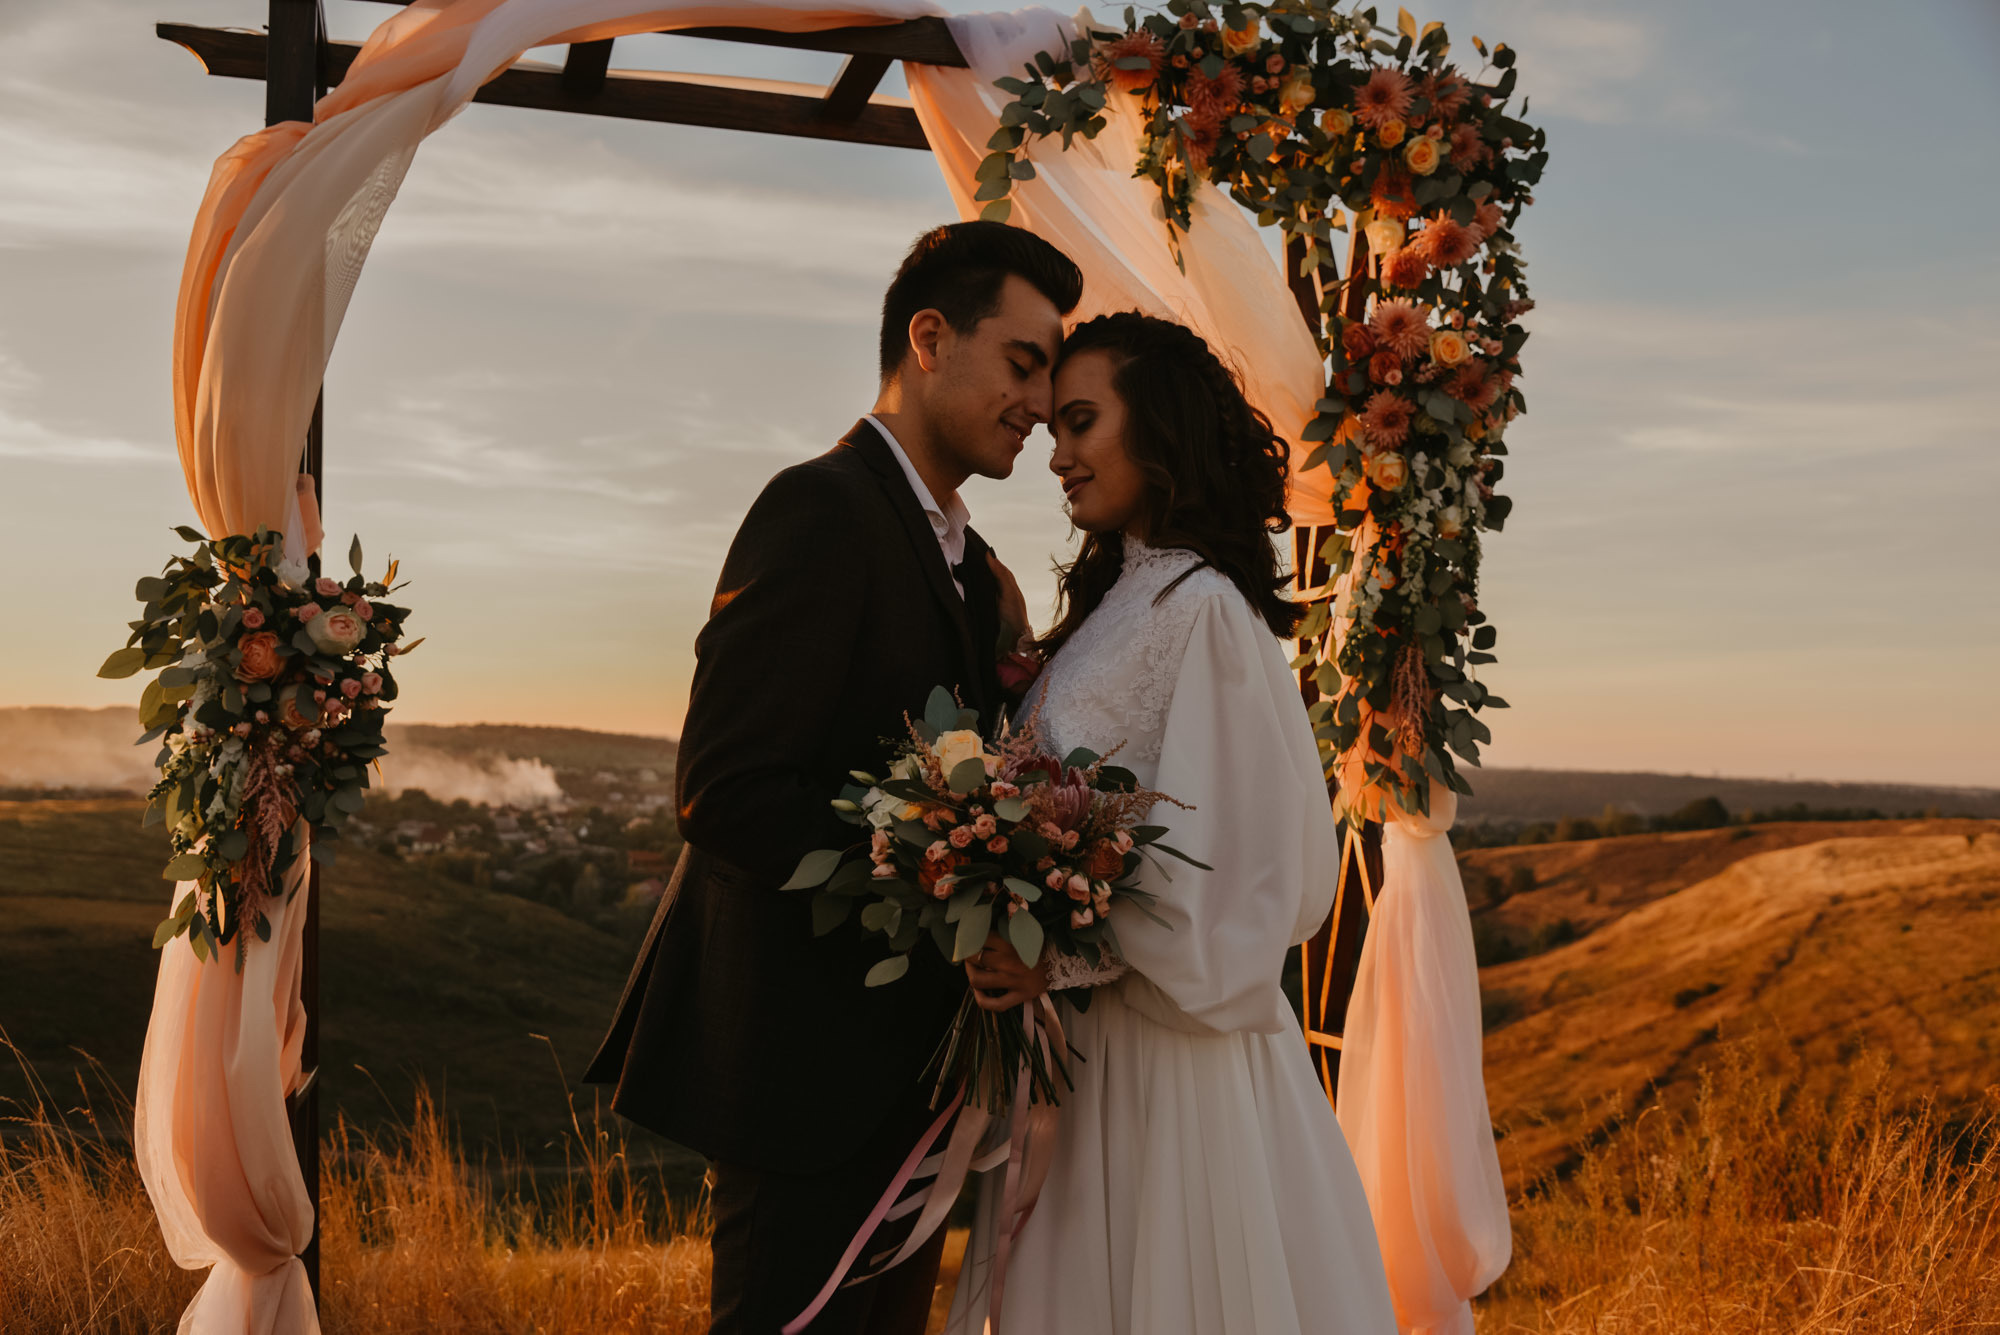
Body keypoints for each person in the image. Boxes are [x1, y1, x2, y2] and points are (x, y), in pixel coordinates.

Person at [583, 221, 1082, 1335]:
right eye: (1022, 361)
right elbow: (725, 787)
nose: (1042, 401)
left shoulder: (968, 562)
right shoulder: (818, 508)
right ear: (928, 338)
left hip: (905, 1085)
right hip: (798, 1072)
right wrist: (951, 893)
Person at [947, 313, 1399, 1334]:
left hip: (1170, 1071)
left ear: (1154, 428)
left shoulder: (1205, 611)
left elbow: (1249, 878)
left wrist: (1055, 957)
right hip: (1092, 1061)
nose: (1054, 453)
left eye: (1078, 421)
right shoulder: (1120, 602)